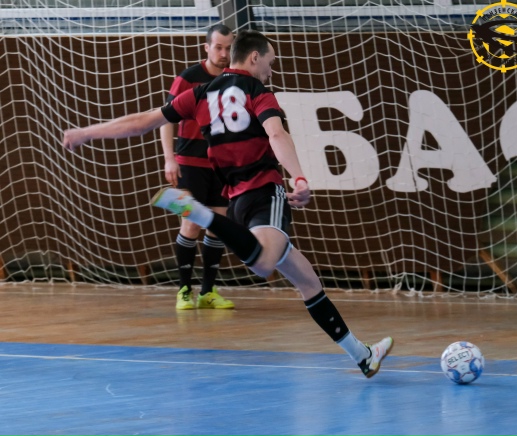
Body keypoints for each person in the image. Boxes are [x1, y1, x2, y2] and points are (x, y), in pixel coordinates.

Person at [63, 30, 394, 378]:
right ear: (254, 57)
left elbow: (142, 123)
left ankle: (363, 355)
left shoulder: (201, 93)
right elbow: (276, 134)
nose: (270, 70)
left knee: (308, 281)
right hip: (264, 192)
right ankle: (200, 213)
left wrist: (86, 133)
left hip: (236, 202)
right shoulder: (258, 91)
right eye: (269, 63)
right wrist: (298, 177)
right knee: (264, 263)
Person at [160, 24, 235, 311]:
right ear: (206, 47)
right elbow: (165, 119)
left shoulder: (234, 79)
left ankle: (208, 291)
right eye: (218, 47)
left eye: (228, 48)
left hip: (221, 164)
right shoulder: (188, 78)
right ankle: (183, 291)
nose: (224, 53)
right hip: (189, 163)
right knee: (191, 223)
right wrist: (169, 158)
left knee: (217, 225)